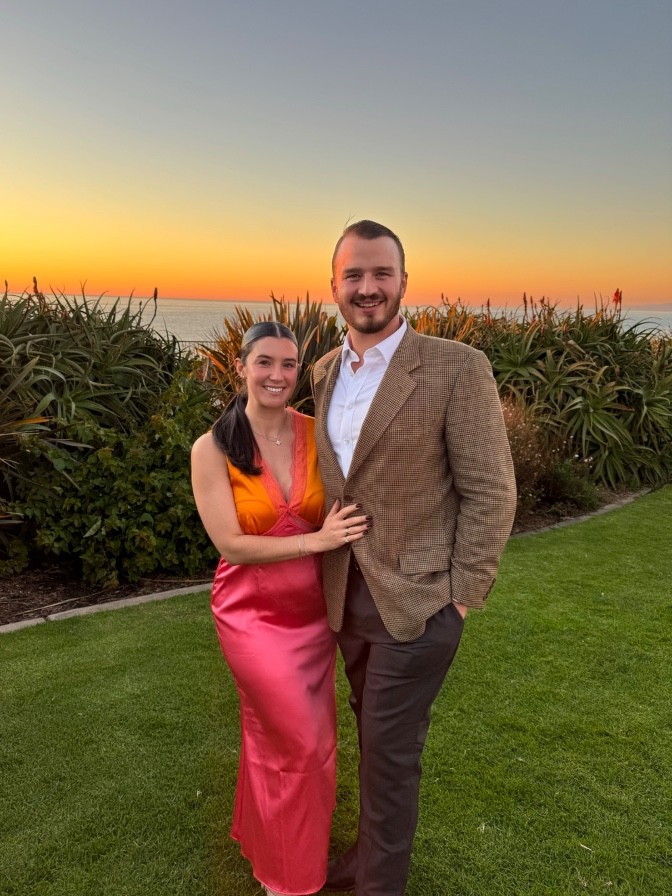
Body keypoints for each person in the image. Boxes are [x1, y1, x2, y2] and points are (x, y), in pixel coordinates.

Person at [311, 220, 517, 895]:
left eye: (381, 273)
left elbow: (491, 490)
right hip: (346, 596)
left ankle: (379, 883)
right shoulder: (323, 372)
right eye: (354, 275)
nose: (367, 287)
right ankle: (365, 861)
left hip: (422, 601)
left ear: (404, 282)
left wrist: (462, 596)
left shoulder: (457, 367)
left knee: (390, 753)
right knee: (373, 740)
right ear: (335, 286)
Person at [191, 321, 369, 896]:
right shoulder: (213, 448)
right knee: (300, 741)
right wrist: (316, 542)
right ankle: (289, 880)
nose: (277, 375)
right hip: (252, 616)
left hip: (316, 614)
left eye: (288, 364)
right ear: (240, 366)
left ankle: (273, 841)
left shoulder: (318, 434)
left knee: (292, 738)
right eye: (264, 362)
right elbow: (231, 545)